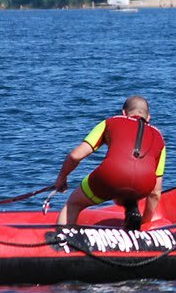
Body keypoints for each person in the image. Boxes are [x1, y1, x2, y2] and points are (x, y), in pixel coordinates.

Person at [52, 95, 166, 229]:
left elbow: (75, 156)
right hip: (143, 185)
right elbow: (155, 193)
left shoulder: (110, 122)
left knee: (73, 204)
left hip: (111, 177)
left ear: (123, 113)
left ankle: (61, 241)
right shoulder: (159, 138)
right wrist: (145, 223)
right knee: (134, 186)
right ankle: (132, 213)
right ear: (148, 118)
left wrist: (62, 178)